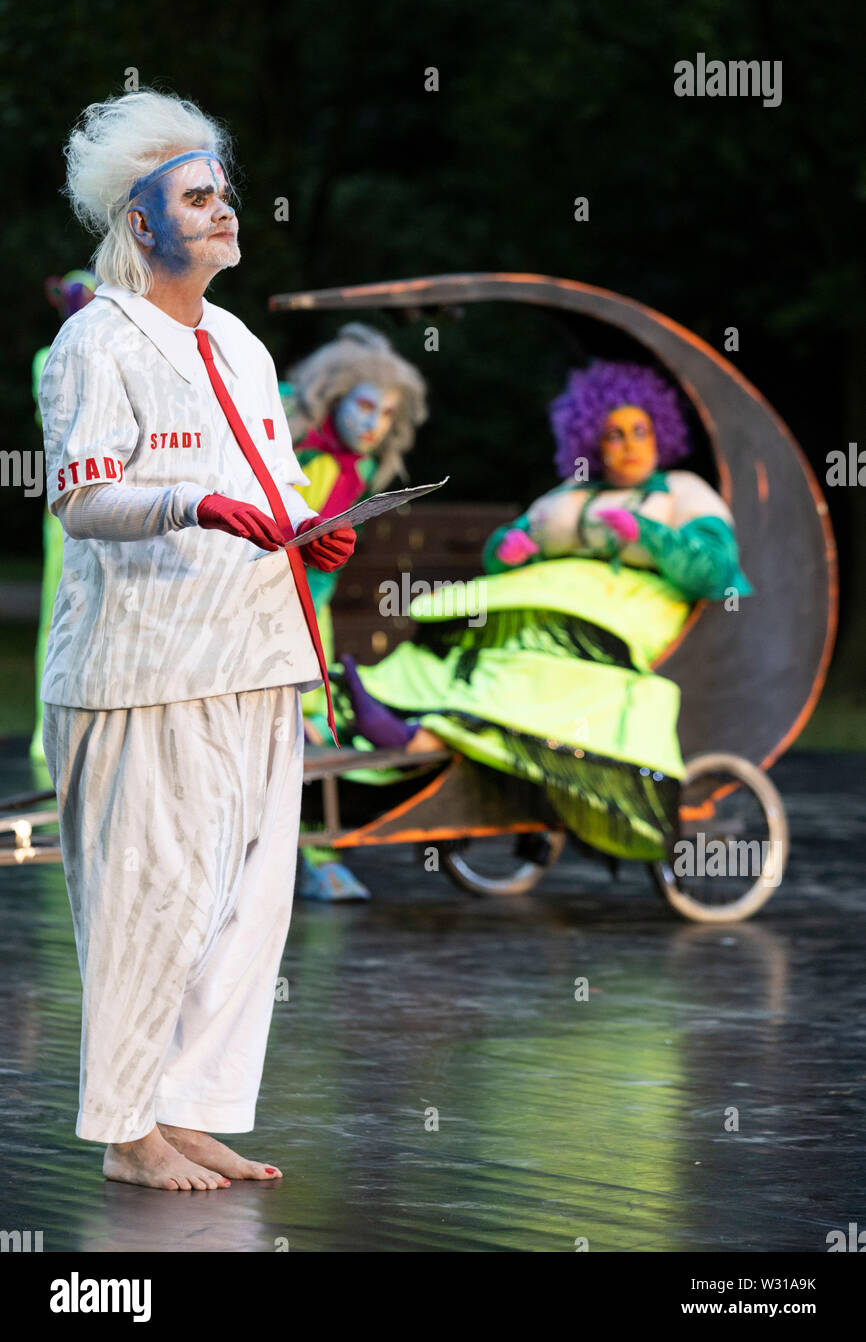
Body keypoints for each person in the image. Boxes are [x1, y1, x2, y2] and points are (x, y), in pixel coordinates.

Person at [38, 89, 354, 1190]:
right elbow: (82, 499)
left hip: (257, 659)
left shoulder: (243, 343)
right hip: (144, 671)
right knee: (151, 898)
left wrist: (309, 530)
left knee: (245, 907)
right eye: (197, 196)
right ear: (139, 223)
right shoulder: (94, 340)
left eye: (222, 190)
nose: (226, 210)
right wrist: (191, 505)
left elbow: (275, 479)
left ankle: (188, 1107)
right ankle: (127, 1130)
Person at [337, 360, 752, 862]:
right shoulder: (574, 494)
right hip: (547, 606)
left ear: (660, 432)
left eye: (639, 431)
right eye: (614, 435)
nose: (628, 445)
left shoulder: (683, 492)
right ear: (593, 442)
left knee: (541, 655)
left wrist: (649, 537)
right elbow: (514, 539)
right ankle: (392, 705)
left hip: (622, 615)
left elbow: (713, 569)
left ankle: (416, 737)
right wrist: (508, 548)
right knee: (471, 640)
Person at [288, 323, 427, 900]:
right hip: (275, 612)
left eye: (387, 413)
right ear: (334, 396)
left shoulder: (358, 469)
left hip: (309, 614)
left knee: (313, 731)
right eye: (365, 406)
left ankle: (317, 855)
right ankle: (314, 858)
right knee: (299, 734)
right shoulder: (309, 456)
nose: (374, 424)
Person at [30, 270, 98, 764]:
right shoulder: (49, 357)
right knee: (60, 617)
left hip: (105, 504)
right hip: (66, 511)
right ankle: (46, 733)